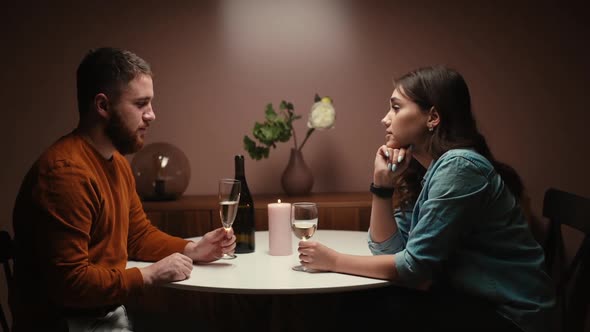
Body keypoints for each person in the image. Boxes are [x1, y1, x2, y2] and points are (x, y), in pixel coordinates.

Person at [297, 66, 555, 332]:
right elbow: (390, 251)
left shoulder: (459, 167)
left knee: (367, 305)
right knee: (365, 301)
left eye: (396, 108)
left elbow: (414, 270)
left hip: (511, 315)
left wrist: (334, 261)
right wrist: (382, 185)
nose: (385, 119)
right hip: (471, 300)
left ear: (432, 117)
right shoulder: (431, 170)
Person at [10, 47, 236, 331]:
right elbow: (71, 284)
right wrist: (149, 275)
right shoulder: (65, 174)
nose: (151, 115)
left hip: (106, 314)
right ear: (103, 106)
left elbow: (137, 236)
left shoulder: (116, 162)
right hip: (68, 323)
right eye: (141, 104)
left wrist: (193, 249)